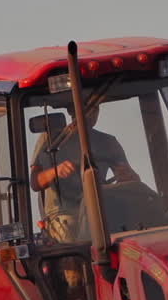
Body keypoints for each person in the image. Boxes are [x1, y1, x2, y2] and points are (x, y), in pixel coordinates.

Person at [30, 102, 138, 243]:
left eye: (95, 108)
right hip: (64, 213)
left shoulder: (108, 142)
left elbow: (130, 179)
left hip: (101, 206)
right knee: (75, 233)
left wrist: (129, 177)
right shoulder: (50, 139)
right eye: (87, 108)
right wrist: (55, 171)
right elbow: (35, 182)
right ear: (71, 110)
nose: (92, 114)